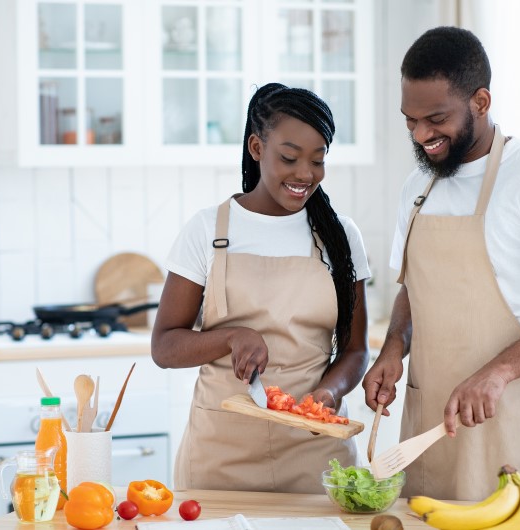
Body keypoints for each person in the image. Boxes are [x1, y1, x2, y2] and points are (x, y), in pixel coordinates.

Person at [362, 27, 520, 504]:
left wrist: (499, 370)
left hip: (518, 416)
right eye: (410, 121)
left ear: (481, 101)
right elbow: (413, 288)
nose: (421, 135)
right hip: (429, 424)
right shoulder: (417, 187)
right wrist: (392, 348)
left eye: (436, 119)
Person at [152, 83, 371, 494]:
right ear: (256, 147)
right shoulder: (208, 230)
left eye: (318, 160)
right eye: (289, 157)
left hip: (315, 455)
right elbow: (164, 347)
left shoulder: (341, 238)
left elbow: (356, 349)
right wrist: (231, 337)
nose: (305, 174)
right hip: (221, 456)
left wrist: (330, 391)